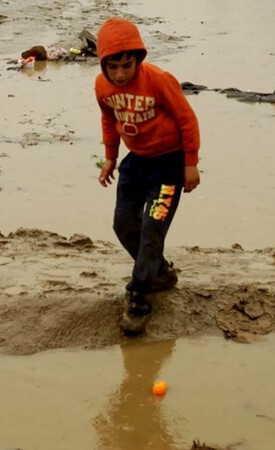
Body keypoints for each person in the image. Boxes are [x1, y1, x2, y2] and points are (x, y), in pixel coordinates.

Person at [94, 17, 201, 334]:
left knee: (153, 228)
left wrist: (190, 163)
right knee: (123, 223)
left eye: (127, 65)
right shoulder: (102, 86)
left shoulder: (158, 80)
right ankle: (160, 271)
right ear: (103, 65)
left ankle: (138, 295)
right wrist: (110, 158)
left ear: (138, 59)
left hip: (168, 167)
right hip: (135, 164)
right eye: (113, 67)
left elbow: (187, 120)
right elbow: (108, 119)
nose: (120, 74)